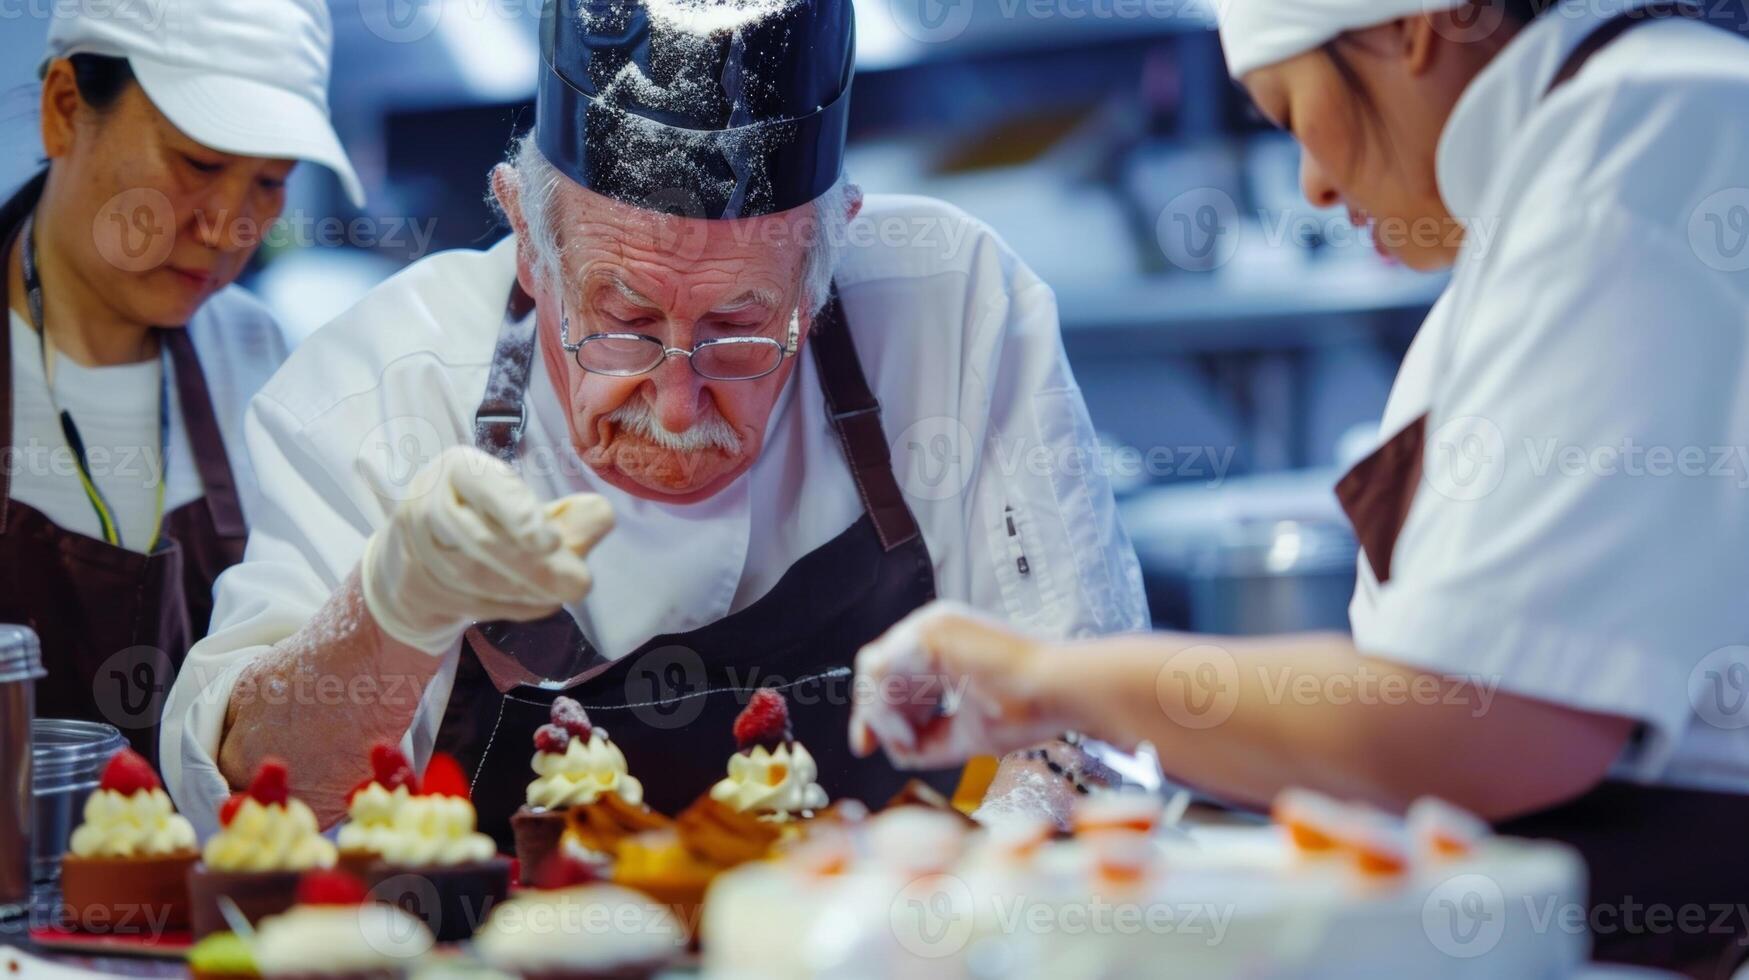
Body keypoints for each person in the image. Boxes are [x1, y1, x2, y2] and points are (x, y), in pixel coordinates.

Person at [850, 0, 1749, 973]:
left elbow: (1482, 725)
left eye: (1286, 114)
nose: (1314, 186)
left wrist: (1044, 677)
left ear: (1411, 28)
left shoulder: (1641, 139)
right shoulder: (1551, 199)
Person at [158, 0, 1146, 843]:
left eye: (742, 327)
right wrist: (392, 605)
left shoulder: (953, 309)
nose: (678, 405)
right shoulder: (374, 386)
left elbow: (1092, 725)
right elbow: (259, 809)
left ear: (833, 246)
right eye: (624, 323)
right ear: (527, 242)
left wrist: (969, 886)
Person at [2, 0, 364, 766]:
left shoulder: (255, 348)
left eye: (270, 181)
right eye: (199, 163)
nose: (230, 226)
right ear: (65, 108)